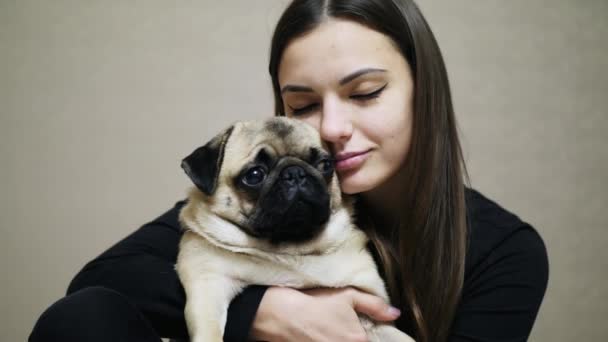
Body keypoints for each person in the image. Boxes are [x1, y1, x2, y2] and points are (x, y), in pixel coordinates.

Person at [29, 0, 549, 341]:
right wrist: (265, 312)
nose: (333, 126)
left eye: (365, 93)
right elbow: (100, 281)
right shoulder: (236, 209)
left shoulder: (504, 250)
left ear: (424, 89)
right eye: (301, 106)